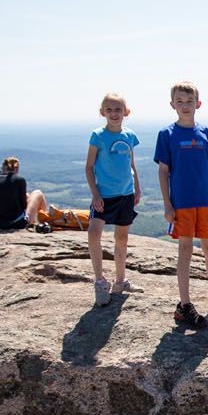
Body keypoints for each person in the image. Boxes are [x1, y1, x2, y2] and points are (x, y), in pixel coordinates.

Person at [154, 81, 208, 328]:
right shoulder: (167, 134)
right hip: (182, 203)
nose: (185, 105)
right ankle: (184, 305)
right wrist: (167, 205)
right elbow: (163, 171)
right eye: (179, 101)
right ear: (172, 105)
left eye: (189, 101)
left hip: (205, 201)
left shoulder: (207, 134)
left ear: (198, 104)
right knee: (185, 251)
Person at [85, 92, 143, 307]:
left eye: (118, 109)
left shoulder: (129, 136)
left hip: (126, 195)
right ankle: (100, 282)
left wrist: (137, 187)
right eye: (109, 110)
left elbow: (131, 164)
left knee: (121, 238)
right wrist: (95, 194)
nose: (114, 113)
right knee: (94, 232)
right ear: (102, 113)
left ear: (126, 112)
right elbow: (89, 167)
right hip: (104, 196)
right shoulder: (97, 136)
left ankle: (120, 281)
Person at [0, 157, 46, 233]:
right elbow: (24, 206)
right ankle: (46, 222)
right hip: (18, 224)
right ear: (16, 169)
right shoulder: (20, 180)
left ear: (3, 169)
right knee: (38, 193)